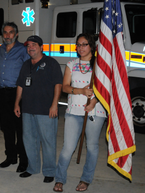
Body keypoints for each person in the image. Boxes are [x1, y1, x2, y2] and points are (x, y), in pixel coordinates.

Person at [53, 33, 106, 192]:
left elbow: (105, 89)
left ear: (91, 46)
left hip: (95, 111)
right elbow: (65, 87)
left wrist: (94, 102)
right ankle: (60, 178)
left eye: (84, 44)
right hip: (73, 110)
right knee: (68, 147)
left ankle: (86, 179)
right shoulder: (71, 64)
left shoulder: (99, 65)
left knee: (92, 146)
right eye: (78, 44)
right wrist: (81, 90)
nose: (80, 47)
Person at [14, 35, 63, 183]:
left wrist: (54, 104)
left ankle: (49, 171)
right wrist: (17, 103)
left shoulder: (51, 63)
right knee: (29, 140)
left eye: (34, 45)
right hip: (27, 109)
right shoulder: (25, 64)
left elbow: (58, 85)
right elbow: (20, 85)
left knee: (48, 141)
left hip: (46, 110)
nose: (31, 48)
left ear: (41, 47)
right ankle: (33, 168)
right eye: (28, 46)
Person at [0, 22, 30, 172]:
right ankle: (11, 157)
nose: (7, 35)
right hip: (2, 93)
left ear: (16, 34)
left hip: (18, 94)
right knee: (6, 127)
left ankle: (23, 160)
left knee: (20, 129)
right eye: (5, 32)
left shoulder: (22, 50)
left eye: (11, 32)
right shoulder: (0, 50)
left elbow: (29, 70)